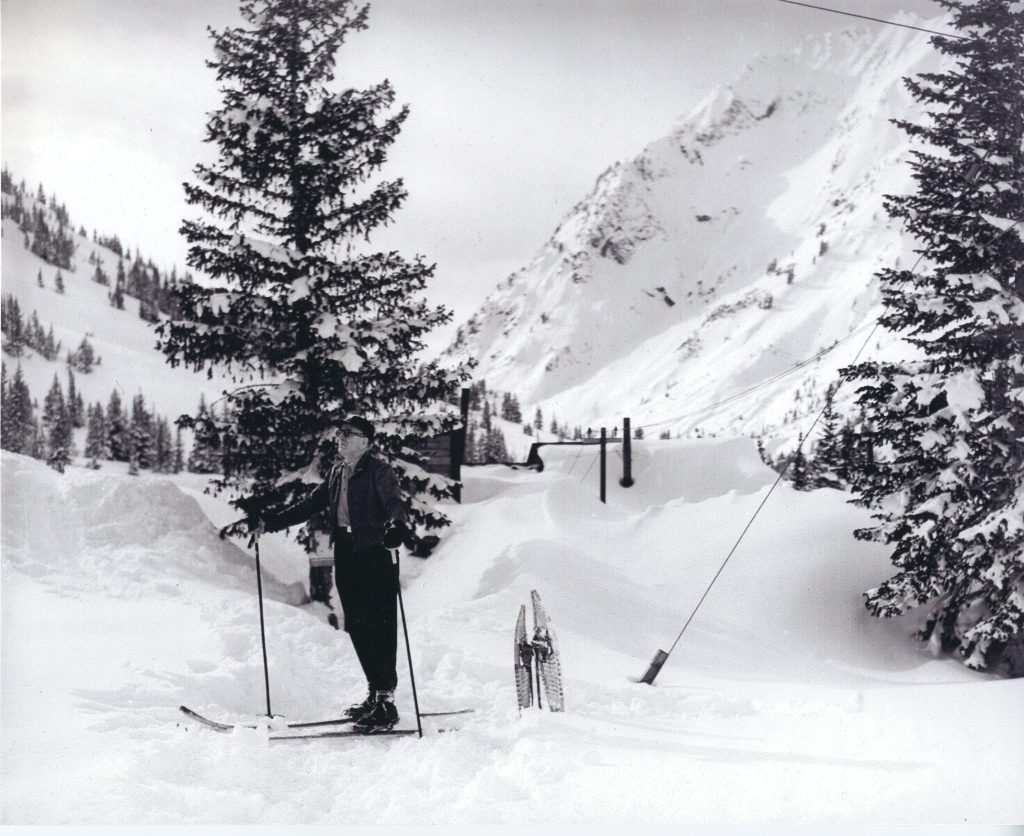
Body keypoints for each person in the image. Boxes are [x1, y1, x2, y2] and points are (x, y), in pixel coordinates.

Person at [249, 415, 410, 732]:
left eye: (348, 433)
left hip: (375, 552)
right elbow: (310, 504)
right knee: (357, 625)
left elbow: (394, 502)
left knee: (380, 625)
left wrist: (397, 526)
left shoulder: (379, 471)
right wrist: (269, 522)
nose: (341, 437)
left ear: (364, 441)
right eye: (340, 432)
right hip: (347, 551)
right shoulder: (338, 471)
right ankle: (374, 694)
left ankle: (386, 700)